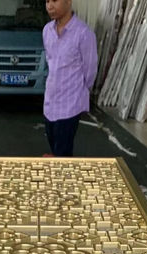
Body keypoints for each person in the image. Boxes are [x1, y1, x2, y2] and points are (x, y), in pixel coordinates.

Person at [43, 0, 98, 157]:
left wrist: (79, 93)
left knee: (63, 154)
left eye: (55, 1)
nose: (49, 6)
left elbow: (90, 70)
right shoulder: (47, 31)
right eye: (47, 1)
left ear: (68, 1)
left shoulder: (83, 34)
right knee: (55, 150)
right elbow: (50, 63)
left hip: (70, 105)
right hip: (50, 103)